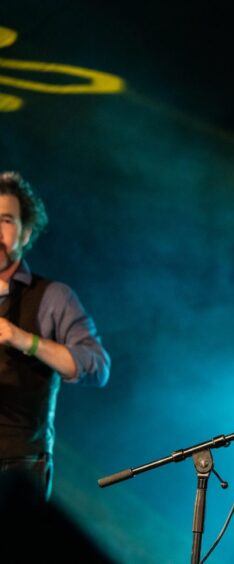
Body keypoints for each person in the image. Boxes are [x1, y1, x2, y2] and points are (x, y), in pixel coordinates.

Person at [0, 171, 110, 500]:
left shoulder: (52, 296)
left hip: (15, 467)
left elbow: (96, 366)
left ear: (26, 232)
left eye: (5, 220)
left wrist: (23, 339)